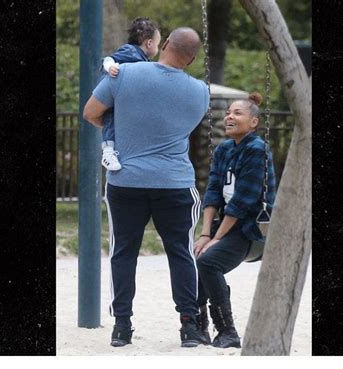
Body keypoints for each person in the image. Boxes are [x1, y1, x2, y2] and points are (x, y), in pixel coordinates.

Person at [83, 27, 210, 348]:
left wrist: (122, 131)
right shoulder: (200, 91)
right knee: (181, 253)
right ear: (192, 59)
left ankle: (122, 327)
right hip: (175, 183)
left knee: (123, 252)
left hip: (127, 180)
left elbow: (91, 113)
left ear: (165, 44)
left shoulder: (123, 73)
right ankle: (189, 326)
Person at [193, 92, 276, 348]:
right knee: (196, 256)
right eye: (228, 112)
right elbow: (214, 192)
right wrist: (206, 234)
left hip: (250, 229)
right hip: (226, 225)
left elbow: (243, 201)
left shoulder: (257, 150)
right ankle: (198, 326)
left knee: (208, 262)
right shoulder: (225, 148)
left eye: (237, 113)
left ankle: (227, 331)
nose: (229, 116)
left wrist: (217, 239)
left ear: (253, 122)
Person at [99, 17, 161, 171]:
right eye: (158, 44)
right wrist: (110, 66)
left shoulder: (142, 59)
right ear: (149, 43)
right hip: (113, 96)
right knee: (111, 119)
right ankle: (107, 153)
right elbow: (108, 58)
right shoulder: (131, 51)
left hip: (123, 98)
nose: (158, 48)